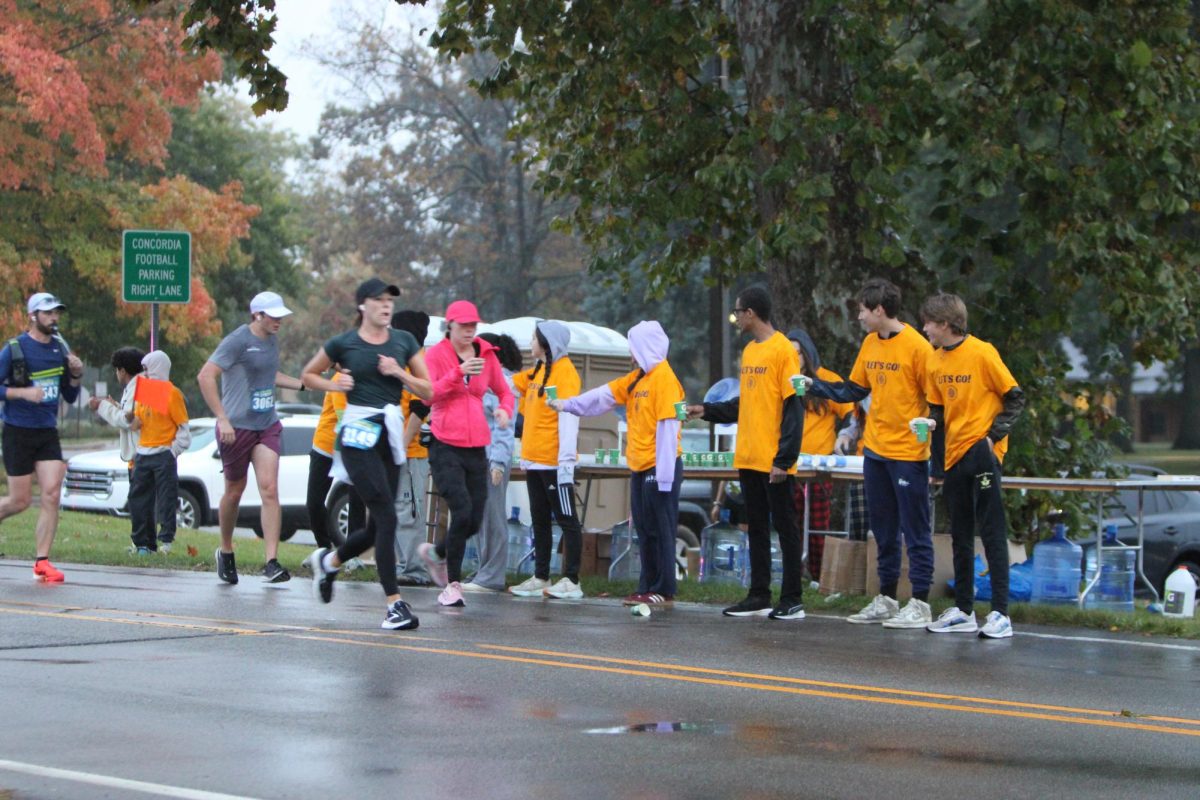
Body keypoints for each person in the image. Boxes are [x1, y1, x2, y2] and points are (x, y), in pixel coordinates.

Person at [300, 278, 432, 630]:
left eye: (390, 300)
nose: (386, 305)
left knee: (377, 528)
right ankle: (394, 604)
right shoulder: (344, 344)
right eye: (379, 300)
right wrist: (334, 384)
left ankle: (329, 563)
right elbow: (308, 375)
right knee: (388, 518)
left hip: (388, 435)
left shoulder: (404, 342)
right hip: (357, 435)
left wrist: (398, 373)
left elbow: (429, 389)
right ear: (363, 306)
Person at [805, 278, 935, 629]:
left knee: (916, 528)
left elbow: (937, 400)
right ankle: (887, 598)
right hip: (875, 451)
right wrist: (813, 385)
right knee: (884, 528)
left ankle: (920, 602)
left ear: (879, 310)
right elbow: (853, 389)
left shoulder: (918, 347)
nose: (859, 316)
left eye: (863, 310)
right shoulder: (869, 343)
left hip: (909, 452)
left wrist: (930, 427)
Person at [686, 286, 806, 620]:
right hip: (749, 456)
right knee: (754, 527)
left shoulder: (784, 351)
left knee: (785, 527)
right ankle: (759, 595)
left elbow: (795, 408)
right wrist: (706, 410)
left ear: (751, 313)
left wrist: (784, 458)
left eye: (738, 312)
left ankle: (792, 598)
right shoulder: (751, 352)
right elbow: (746, 404)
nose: (736, 318)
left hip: (774, 459)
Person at [552, 320, 684, 606]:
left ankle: (664, 588)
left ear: (646, 347)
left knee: (660, 528)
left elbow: (669, 429)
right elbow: (604, 396)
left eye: (634, 348)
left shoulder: (664, 379)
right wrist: (569, 404)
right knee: (645, 529)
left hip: (660, 467)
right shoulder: (638, 378)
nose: (631, 354)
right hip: (639, 465)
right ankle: (647, 585)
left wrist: (663, 476)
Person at [916, 293, 1025, 638]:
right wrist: (934, 449)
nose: (925, 329)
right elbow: (939, 411)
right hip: (953, 456)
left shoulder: (982, 353)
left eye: (929, 323)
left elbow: (1015, 398)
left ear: (946, 324)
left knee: (991, 531)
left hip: (981, 453)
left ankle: (1001, 613)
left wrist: (992, 439)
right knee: (959, 534)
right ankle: (964, 609)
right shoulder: (934, 361)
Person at [198, 290, 305, 585]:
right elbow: (205, 376)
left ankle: (271, 562)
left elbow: (269, 375)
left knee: (269, 489)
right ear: (257, 315)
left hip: (267, 423)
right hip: (237, 426)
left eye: (281, 316)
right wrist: (222, 418)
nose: (279, 321)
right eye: (274, 316)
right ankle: (226, 550)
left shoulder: (271, 340)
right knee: (235, 490)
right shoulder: (237, 341)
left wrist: (302, 384)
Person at [417, 300, 514, 608]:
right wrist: (458, 372)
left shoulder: (486, 353)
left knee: (473, 519)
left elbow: (505, 390)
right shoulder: (437, 355)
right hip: (445, 443)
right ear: (450, 327)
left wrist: (504, 410)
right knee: (461, 509)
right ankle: (453, 585)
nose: (470, 331)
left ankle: (437, 553)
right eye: (464, 326)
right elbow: (431, 393)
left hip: (477, 447)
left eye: (474, 326)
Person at [0, 292, 84, 581]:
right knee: (19, 501)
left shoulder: (61, 350)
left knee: (51, 492)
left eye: (56, 312)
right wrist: (21, 392)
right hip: (17, 430)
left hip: (47, 431)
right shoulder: (14, 349)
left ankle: (42, 562)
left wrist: (75, 374)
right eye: (47, 313)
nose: (54, 317)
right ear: (33, 316)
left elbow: (70, 396)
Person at [508, 321, 585, 600]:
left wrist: (566, 463)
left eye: (534, 339)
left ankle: (572, 580)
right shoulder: (540, 369)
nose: (530, 343)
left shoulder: (566, 374)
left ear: (547, 343)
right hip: (534, 459)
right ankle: (541, 575)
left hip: (555, 461)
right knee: (538, 520)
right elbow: (512, 384)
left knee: (567, 519)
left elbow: (569, 418)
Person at [785, 328, 853, 582]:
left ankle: (818, 576)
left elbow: (850, 412)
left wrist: (843, 436)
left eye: (799, 353)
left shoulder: (826, 379)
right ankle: (793, 574)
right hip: (788, 464)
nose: (796, 358)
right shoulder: (783, 379)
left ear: (808, 354)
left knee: (817, 523)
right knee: (790, 523)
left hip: (819, 465)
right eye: (790, 354)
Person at [463, 331, 522, 592]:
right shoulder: (482, 380)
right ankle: (484, 571)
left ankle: (492, 576)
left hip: (492, 458)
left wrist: (497, 462)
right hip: (477, 456)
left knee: (493, 517)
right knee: (481, 517)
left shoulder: (504, 384)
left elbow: (504, 428)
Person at [127, 350, 191, 554]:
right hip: (143, 453)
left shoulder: (171, 393)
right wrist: (128, 418)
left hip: (163, 453)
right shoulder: (145, 391)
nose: (144, 374)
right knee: (138, 500)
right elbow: (139, 422)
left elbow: (183, 427)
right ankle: (142, 543)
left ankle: (166, 542)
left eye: (146, 369)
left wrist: (173, 451)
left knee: (165, 499)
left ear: (158, 368)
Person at [391, 309, 433, 586]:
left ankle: (415, 570)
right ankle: (400, 565)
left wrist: (402, 445)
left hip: (412, 451)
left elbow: (422, 405)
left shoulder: (420, 362)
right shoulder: (399, 361)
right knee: (396, 509)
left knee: (410, 510)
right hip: (395, 449)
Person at [305, 370, 365, 552]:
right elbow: (345, 418)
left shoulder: (366, 379)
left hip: (354, 446)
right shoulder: (340, 380)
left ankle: (352, 553)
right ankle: (324, 547)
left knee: (357, 500)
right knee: (314, 502)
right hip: (325, 448)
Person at [89, 347, 144, 473]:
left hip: (140, 461)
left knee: (139, 493)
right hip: (140, 459)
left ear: (123, 371)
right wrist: (117, 407)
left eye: (117, 370)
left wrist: (101, 406)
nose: (116, 373)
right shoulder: (135, 386)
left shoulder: (138, 388)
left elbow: (128, 420)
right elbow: (130, 413)